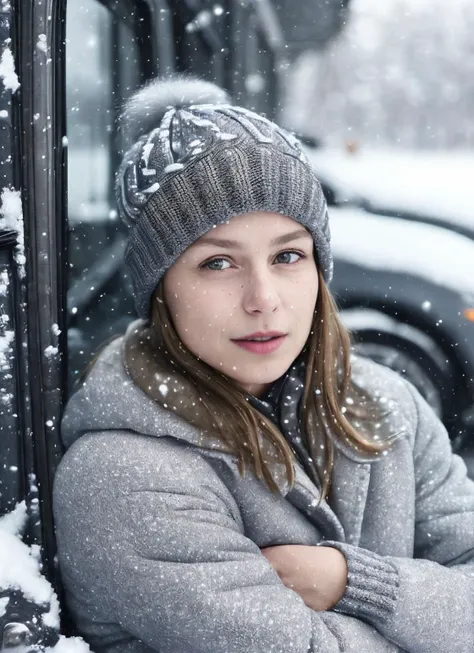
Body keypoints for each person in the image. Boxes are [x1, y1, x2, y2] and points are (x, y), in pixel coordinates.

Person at [53, 77, 474, 653]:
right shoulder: (122, 475)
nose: (264, 298)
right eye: (219, 262)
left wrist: (356, 584)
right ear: (161, 290)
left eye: (287, 256)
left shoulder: (388, 406)